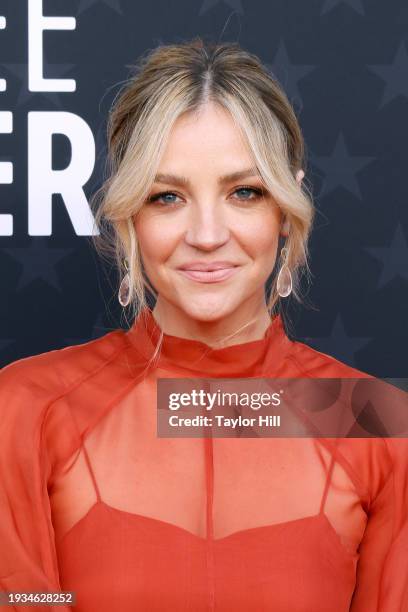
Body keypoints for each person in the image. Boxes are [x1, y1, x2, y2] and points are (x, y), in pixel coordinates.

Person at [0, 37, 407, 612]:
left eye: (245, 192)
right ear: (130, 218)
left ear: (285, 212)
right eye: (167, 197)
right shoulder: (25, 410)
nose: (208, 234)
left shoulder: (375, 421)